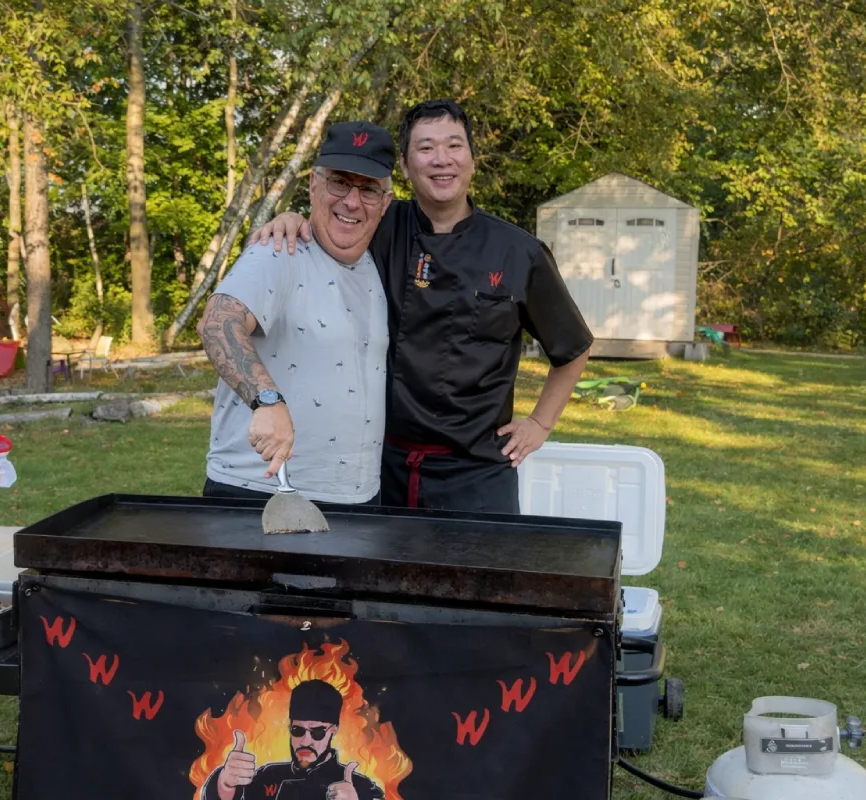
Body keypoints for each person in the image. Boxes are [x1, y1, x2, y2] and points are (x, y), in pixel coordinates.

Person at [254, 99, 593, 514]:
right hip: (379, 468)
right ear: (404, 164)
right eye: (426, 148)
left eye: (454, 146)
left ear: (472, 160)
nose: (441, 159)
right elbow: (332, 218)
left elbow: (572, 348)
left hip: (479, 474)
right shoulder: (376, 228)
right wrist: (292, 219)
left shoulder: (519, 252)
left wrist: (540, 423)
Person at [198, 121, 397, 504]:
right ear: (313, 184)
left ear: (385, 203)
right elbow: (217, 323)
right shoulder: (278, 251)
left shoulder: (375, 264)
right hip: (259, 493)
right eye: (339, 182)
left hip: (357, 500)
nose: (352, 201)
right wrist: (266, 400)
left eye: (369, 189)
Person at [202, 680, 384, 800]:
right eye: (298, 730)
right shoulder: (267, 776)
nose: (305, 741)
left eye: (317, 732)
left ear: (333, 731)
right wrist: (225, 783)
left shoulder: (359, 786)